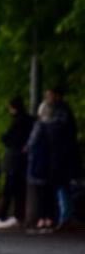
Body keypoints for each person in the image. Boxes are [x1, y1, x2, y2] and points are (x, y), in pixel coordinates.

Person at [0, 96, 33, 230]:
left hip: (14, 158)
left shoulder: (17, 122)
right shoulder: (30, 120)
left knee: (9, 189)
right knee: (20, 189)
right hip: (24, 159)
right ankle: (18, 215)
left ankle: (2, 215)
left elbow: (8, 139)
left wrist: (5, 138)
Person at [45, 86, 81, 228]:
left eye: (49, 95)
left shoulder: (61, 111)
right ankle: (65, 214)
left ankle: (65, 215)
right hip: (61, 154)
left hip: (62, 155)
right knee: (61, 185)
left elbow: (58, 129)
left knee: (61, 184)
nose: (48, 99)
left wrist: (46, 125)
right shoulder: (60, 111)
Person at [26, 101, 56, 232]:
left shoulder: (39, 126)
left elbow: (32, 142)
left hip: (39, 161)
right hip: (52, 161)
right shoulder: (56, 126)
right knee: (49, 191)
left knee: (40, 191)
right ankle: (49, 218)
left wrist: (27, 148)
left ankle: (41, 219)